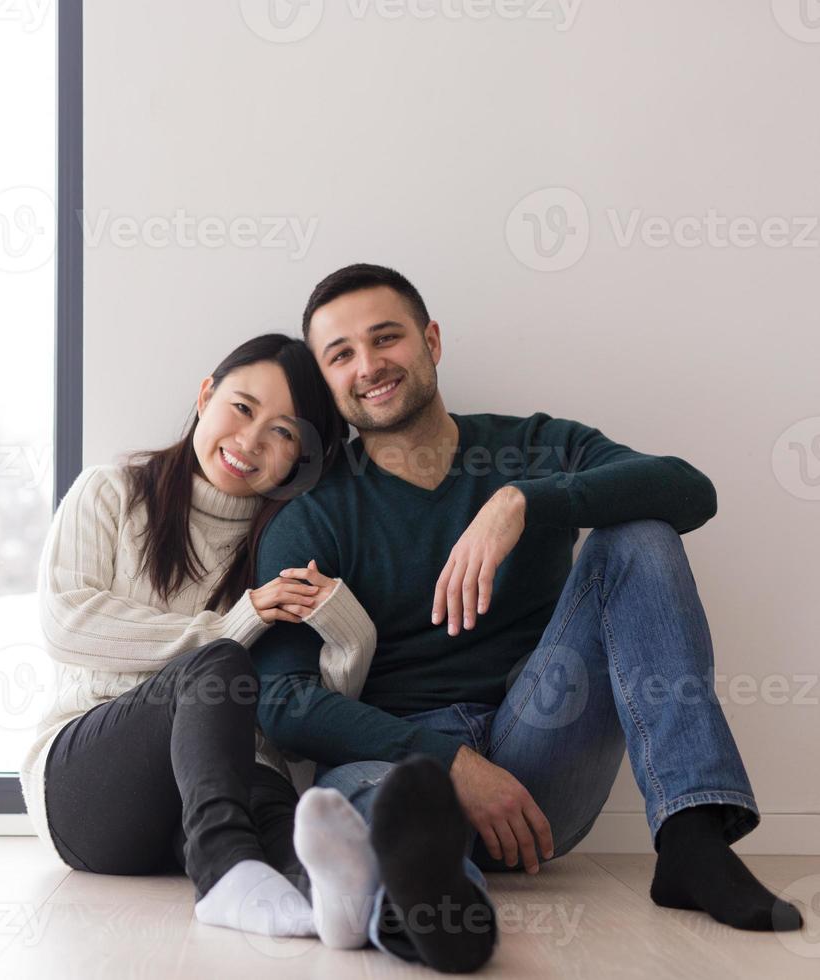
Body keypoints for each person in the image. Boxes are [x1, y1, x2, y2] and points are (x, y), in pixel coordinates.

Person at [253, 263, 804, 972]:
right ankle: (440, 909)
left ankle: (693, 839)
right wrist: (448, 762)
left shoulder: (532, 447)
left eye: (386, 338)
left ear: (431, 341)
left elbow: (689, 490)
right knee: (386, 814)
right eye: (342, 355)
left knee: (640, 533)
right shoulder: (312, 515)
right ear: (329, 383)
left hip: (539, 747)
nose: (369, 366)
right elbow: (283, 701)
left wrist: (524, 502)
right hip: (395, 766)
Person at [19, 333, 379, 938]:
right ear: (206, 394)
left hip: (211, 799)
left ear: (301, 458)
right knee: (217, 665)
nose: (250, 441)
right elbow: (66, 623)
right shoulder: (110, 491)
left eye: (284, 433)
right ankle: (227, 874)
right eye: (242, 408)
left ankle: (339, 904)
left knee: (272, 795)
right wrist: (237, 623)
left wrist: (348, 629)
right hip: (89, 793)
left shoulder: (282, 546)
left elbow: (294, 736)